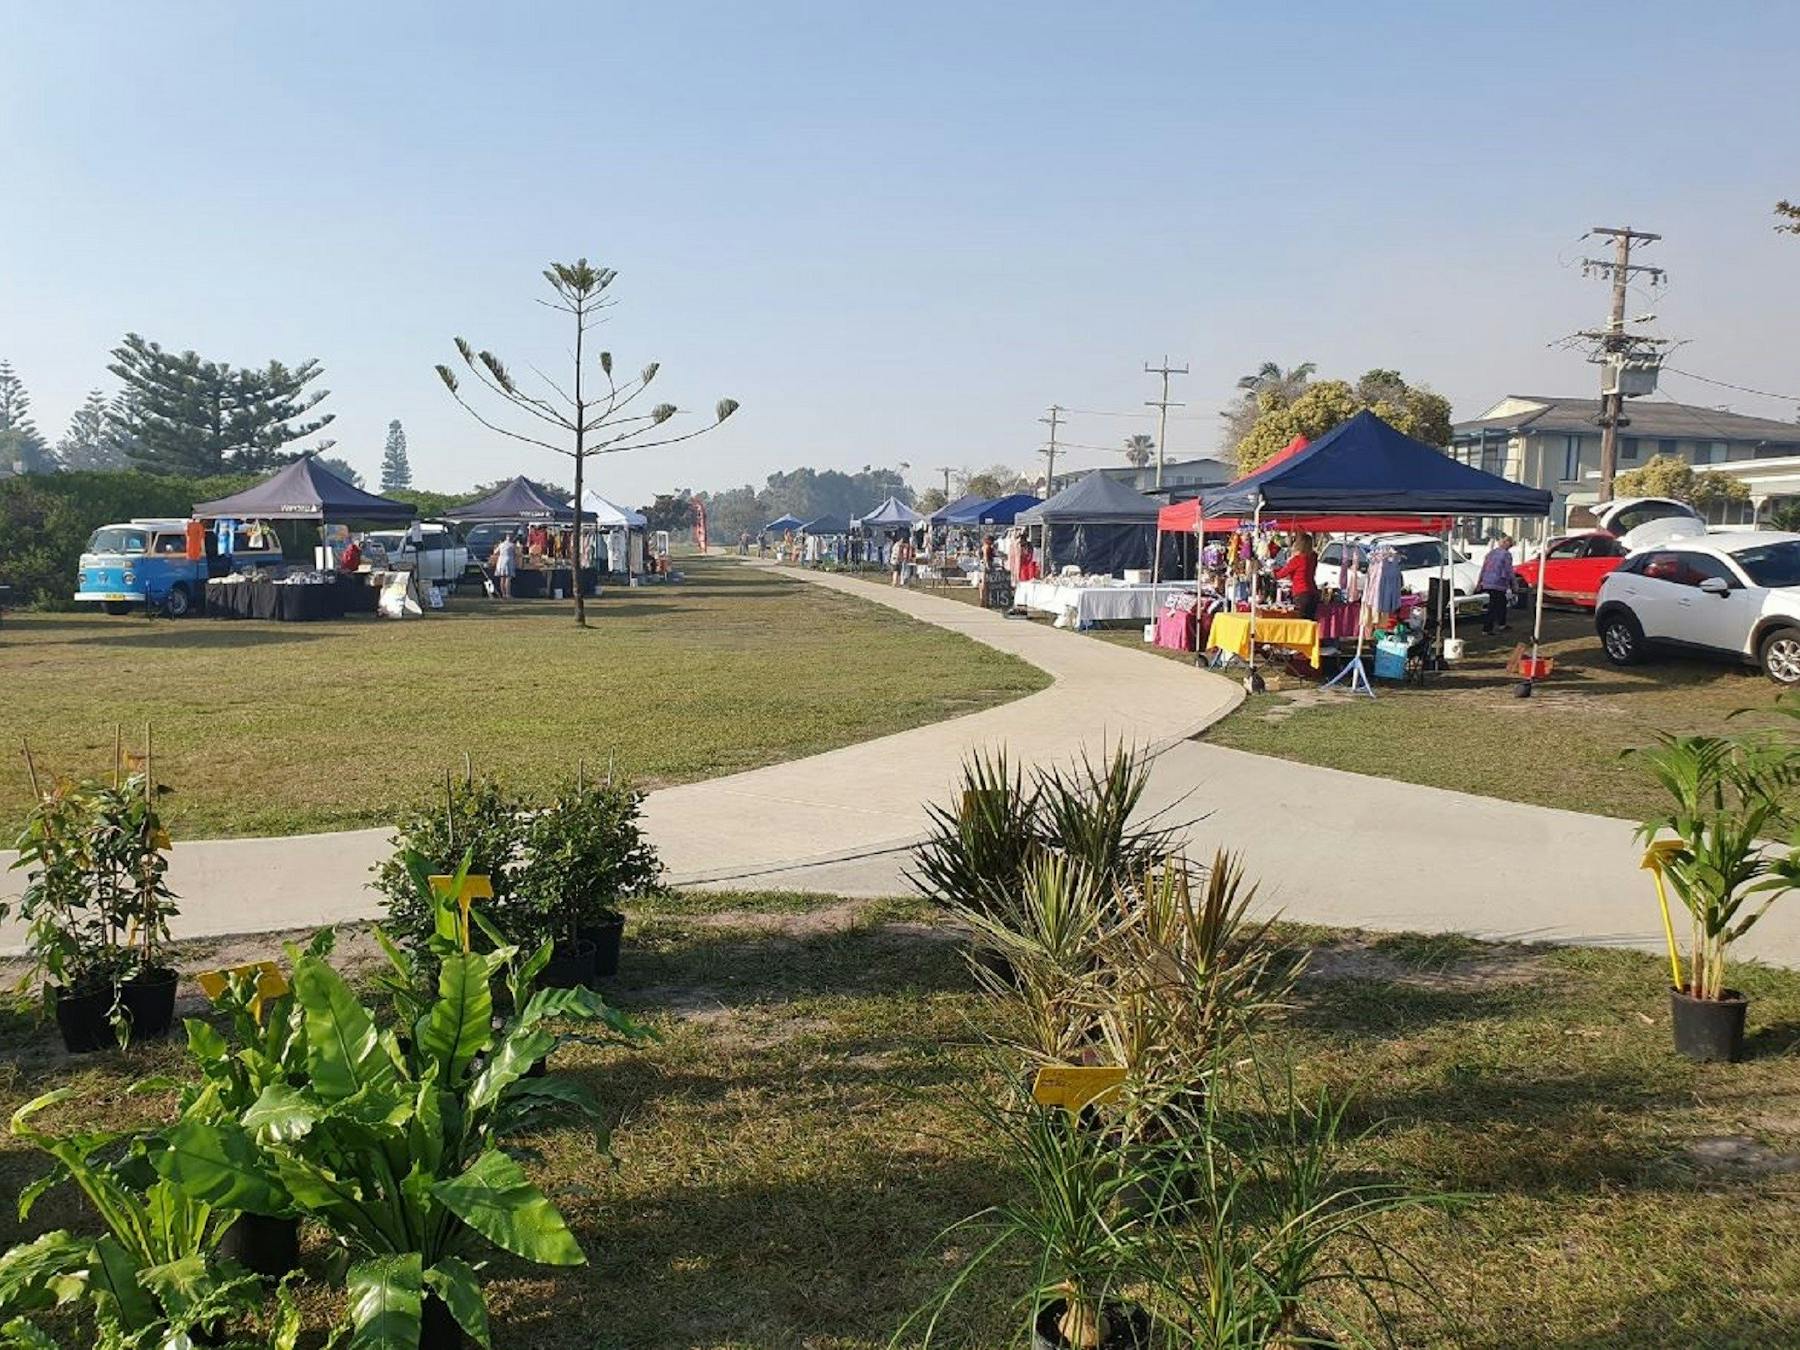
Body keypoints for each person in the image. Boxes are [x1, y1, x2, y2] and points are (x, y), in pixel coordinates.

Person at [1272, 530, 1320, 621]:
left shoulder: (1297, 559)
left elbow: (1281, 574)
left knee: (1300, 621)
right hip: (1313, 591)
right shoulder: (1313, 558)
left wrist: (1273, 571)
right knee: (1310, 621)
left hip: (1301, 592)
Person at [1480, 534, 1516, 635]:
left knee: (1501, 602)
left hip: (1488, 581)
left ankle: (1501, 623)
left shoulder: (1491, 553)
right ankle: (1487, 629)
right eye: (1510, 543)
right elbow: (1509, 570)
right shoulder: (1506, 555)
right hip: (1498, 582)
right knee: (1494, 605)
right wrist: (1514, 583)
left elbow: (1484, 567)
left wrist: (1480, 581)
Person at [490, 533, 519, 599]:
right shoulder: (512, 545)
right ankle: (508, 594)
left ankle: (503, 594)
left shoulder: (501, 544)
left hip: (501, 561)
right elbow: (517, 553)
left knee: (502, 578)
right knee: (508, 578)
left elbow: (495, 552)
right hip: (509, 560)